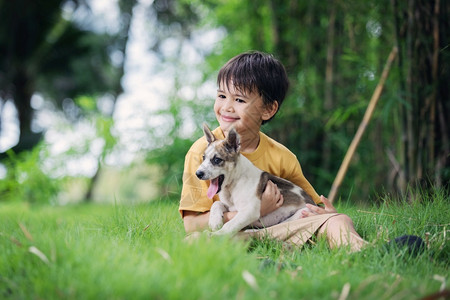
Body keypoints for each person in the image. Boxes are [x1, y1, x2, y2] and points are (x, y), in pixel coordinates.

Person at [178, 51, 409, 253]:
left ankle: (366, 251)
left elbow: (310, 205)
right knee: (194, 241)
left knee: (338, 220)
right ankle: (272, 259)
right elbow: (191, 225)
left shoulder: (282, 156)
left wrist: (325, 213)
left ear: (268, 109)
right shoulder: (202, 152)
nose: (227, 107)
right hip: (236, 234)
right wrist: (252, 211)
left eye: (239, 99)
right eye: (221, 96)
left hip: (283, 228)